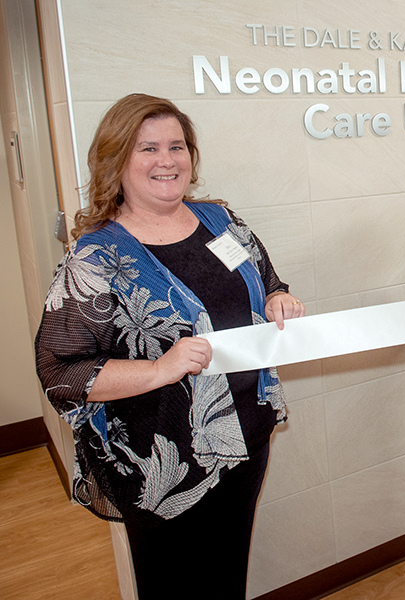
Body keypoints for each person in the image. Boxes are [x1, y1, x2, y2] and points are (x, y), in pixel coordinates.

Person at [34, 93, 304, 599]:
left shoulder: (222, 221)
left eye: (176, 146)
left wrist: (278, 300)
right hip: (162, 459)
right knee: (174, 585)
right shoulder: (95, 260)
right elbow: (60, 371)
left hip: (246, 433)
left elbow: (266, 281)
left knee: (226, 574)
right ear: (117, 160)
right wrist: (160, 368)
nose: (166, 160)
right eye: (148, 148)